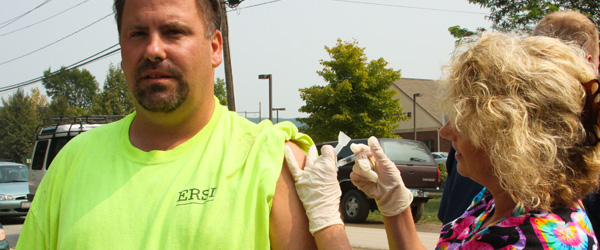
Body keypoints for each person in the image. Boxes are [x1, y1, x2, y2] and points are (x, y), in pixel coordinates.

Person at [16, 0, 324, 249]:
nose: (153, 50)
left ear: (215, 47)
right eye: (137, 34)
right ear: (122, 51)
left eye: (173, 31)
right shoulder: (71, 164)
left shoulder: (271, 161)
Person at [286, 32, 600, 249]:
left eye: (463, 122)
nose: (446, 132)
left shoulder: (530, 241)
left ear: (510, 138)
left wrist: (327, 220)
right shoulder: (502, 200)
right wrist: (395, 205)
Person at [438, 10, 600, 226]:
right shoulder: (488, 201)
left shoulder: (531, 235)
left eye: (469, 118)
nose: (447, 131)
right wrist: (397, 209)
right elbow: (451, 234)